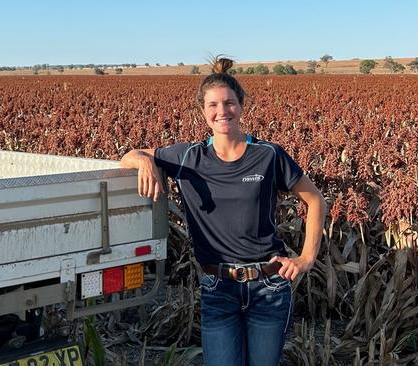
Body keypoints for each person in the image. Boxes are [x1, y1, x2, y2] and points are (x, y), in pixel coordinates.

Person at [120, 56, 327, 366]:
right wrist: (146, 161)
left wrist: (306, 258)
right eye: (213, 105)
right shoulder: (187, 156)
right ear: (203, 112)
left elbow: (315, 200)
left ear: (241, 105)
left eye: (229, 103)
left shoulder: (268, 155)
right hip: (218, 287)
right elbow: (129, 157)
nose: (222, 111)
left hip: (268, 286)